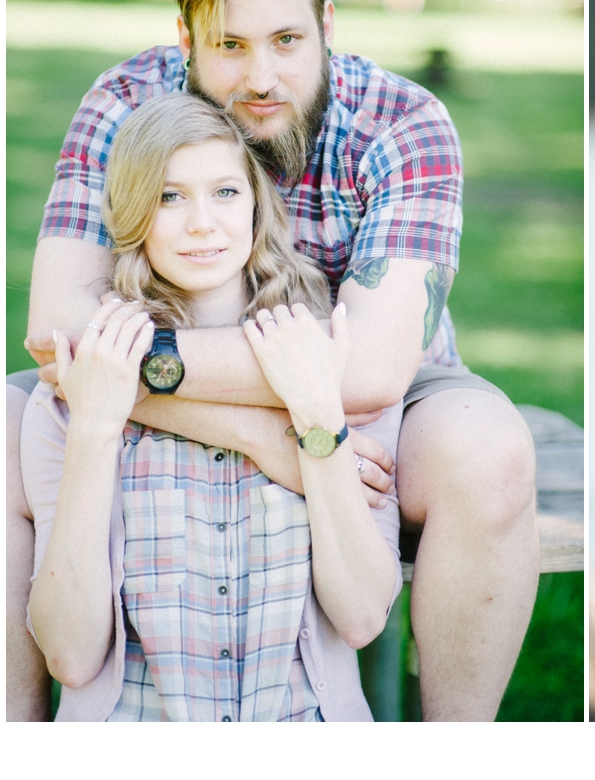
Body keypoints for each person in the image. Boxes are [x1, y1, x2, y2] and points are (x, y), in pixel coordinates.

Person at [7, 0, 538, 722]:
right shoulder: (125, 101)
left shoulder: (403, 122)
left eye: (287, 41)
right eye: (230, 45)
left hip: (365, 385)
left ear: (326, 23)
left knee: (490, 449)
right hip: (166, 332)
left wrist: (149, 385)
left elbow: (364, 371)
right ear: (185, 40)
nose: (261, 77)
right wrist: (265, 437)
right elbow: (56, 331)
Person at [24, 93, 402, 720]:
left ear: (257, 205)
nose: (203, 222)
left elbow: (362, 615)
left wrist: (316, 418)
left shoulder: (328, 369)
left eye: (225, 192)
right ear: (133, 213)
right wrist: (95, 431)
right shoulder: (72, 397)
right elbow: (70, 654)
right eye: (170, 197)